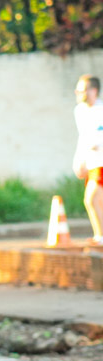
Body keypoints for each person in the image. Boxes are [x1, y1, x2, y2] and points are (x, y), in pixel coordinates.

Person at [73, 74, 103, 245]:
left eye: (82, 90)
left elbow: (97, 138)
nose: (78, 93)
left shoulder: (101, 110)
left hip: (101, 162)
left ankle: (100, 237)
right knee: (96, 201)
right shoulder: (80, 111)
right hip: (93, 163)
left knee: (91, 199)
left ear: (94, 91)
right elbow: (83, 138)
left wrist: (94, 142)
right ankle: (99, 236)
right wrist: (79, 161)